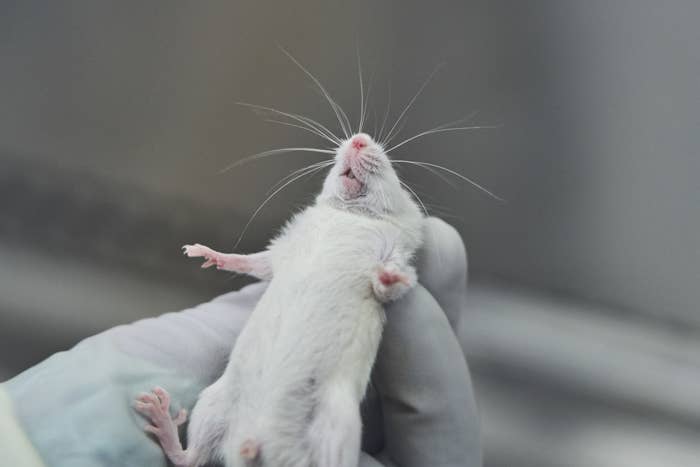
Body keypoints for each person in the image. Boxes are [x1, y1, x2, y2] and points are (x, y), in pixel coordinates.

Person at [0, 218, 481, 467]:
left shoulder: (381, 243)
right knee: (217, 401)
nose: (357, 149)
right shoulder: (317, 233)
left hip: (314, 398)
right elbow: (266, 262)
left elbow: (395, 284)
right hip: (243, 398)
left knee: (335, 414)